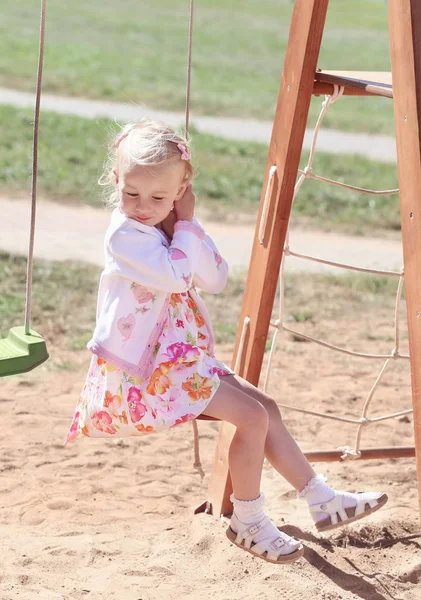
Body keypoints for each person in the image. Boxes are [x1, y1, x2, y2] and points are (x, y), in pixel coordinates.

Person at [65, 117, 388, 565]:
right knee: (252, 418)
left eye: (158, 196)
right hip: (149, 369)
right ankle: (249, 522)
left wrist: (186, 227)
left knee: (265, 408)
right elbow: (179, 277)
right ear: (116, 180)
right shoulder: (125, 236)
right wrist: (186, 224)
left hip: (179, 358)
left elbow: (215, 278)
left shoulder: (171, 226)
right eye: (131, 192)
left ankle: (322, 499)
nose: (142, 205)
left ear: (181, 189)